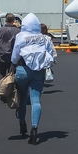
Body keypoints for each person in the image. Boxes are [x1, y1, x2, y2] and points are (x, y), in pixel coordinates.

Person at [11, 13, 57, 144]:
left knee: (22, 98)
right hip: (39, 72)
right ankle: (35, 128)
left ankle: (22, 123)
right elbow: (51, 56)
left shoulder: (20, 37)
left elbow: (14, 58)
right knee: (36, 100)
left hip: (22, 70)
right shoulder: (45, 38)